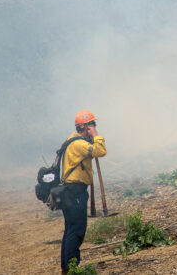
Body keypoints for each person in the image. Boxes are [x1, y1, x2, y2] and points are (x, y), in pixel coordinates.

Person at [60, 110, 107, 274]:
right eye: (92, 124)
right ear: (85, 127)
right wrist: (96, 136)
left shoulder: (73, 140)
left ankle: (66, 268)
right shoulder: (78, 144)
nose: (94, 127)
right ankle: (71, 268)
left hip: (71, 192)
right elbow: (100, 151)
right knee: (76, 231)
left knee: (70, 229)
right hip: (75, 193)